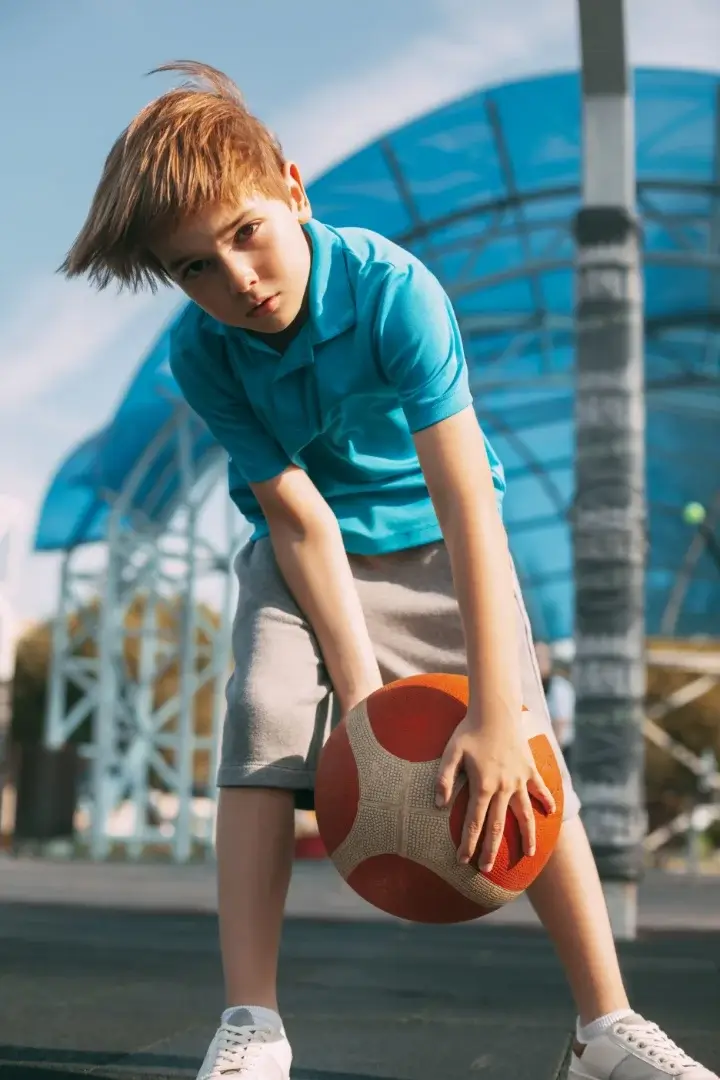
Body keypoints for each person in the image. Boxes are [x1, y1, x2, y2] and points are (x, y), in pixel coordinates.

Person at [60, 61, 717, 1080]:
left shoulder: (391, 288)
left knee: (530, 749)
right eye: (193, 267)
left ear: (292, 187)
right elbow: (299, 520)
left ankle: (604, 1029)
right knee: (266, 716)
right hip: (307, 554)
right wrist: (361, 696)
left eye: (245, 234)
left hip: (441, 539)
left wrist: (501, 714)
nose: (235, 279)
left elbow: (467, 504)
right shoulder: (203, 356)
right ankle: (251, 1022)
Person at [535, 641, 576, 770]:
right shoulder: (533, 687)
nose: (536, 662)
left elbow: (560, 724)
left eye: (539, 658)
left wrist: (553, 758)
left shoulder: (559, 687)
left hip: (559, 752)